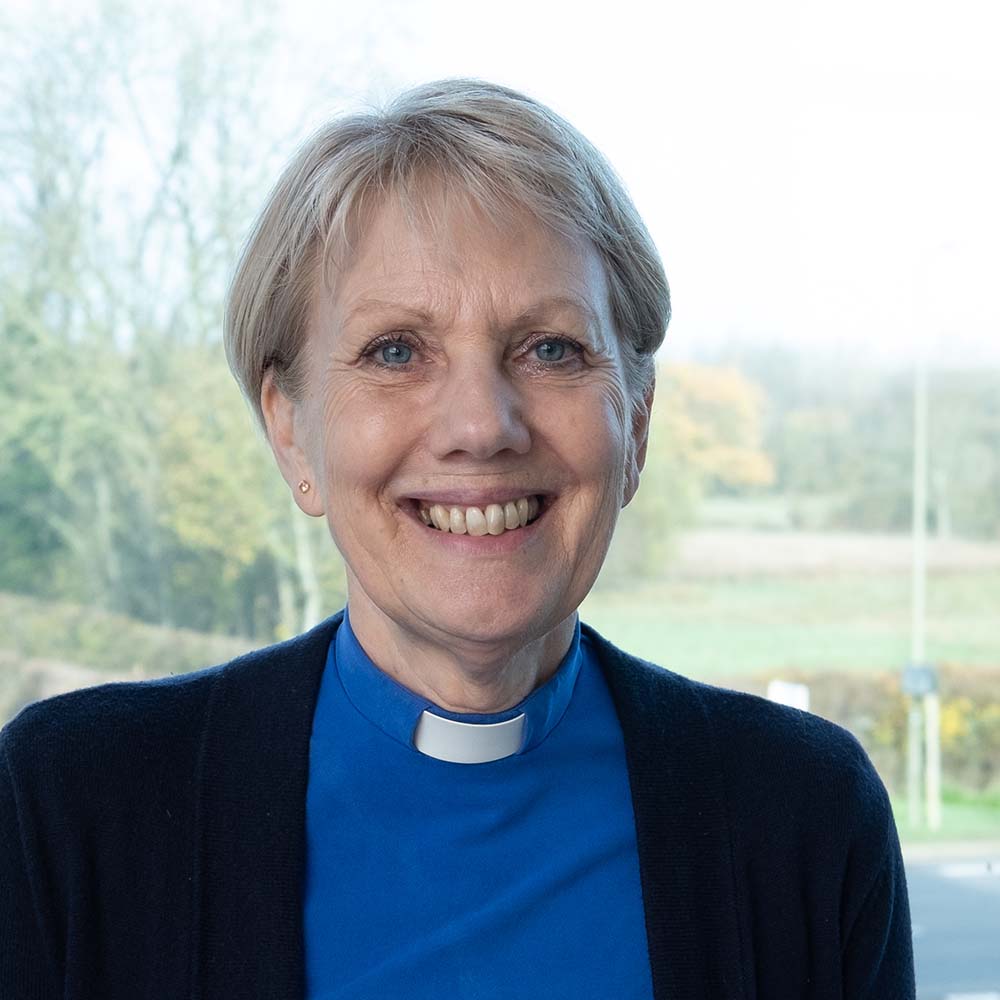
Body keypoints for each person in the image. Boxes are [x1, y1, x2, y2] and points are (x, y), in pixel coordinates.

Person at [0, 79, 914, 999]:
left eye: (551, 348)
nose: (482, 425)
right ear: (290, 430)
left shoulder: (805, 819)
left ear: (635, 421)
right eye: (396, 350)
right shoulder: (70, 811)